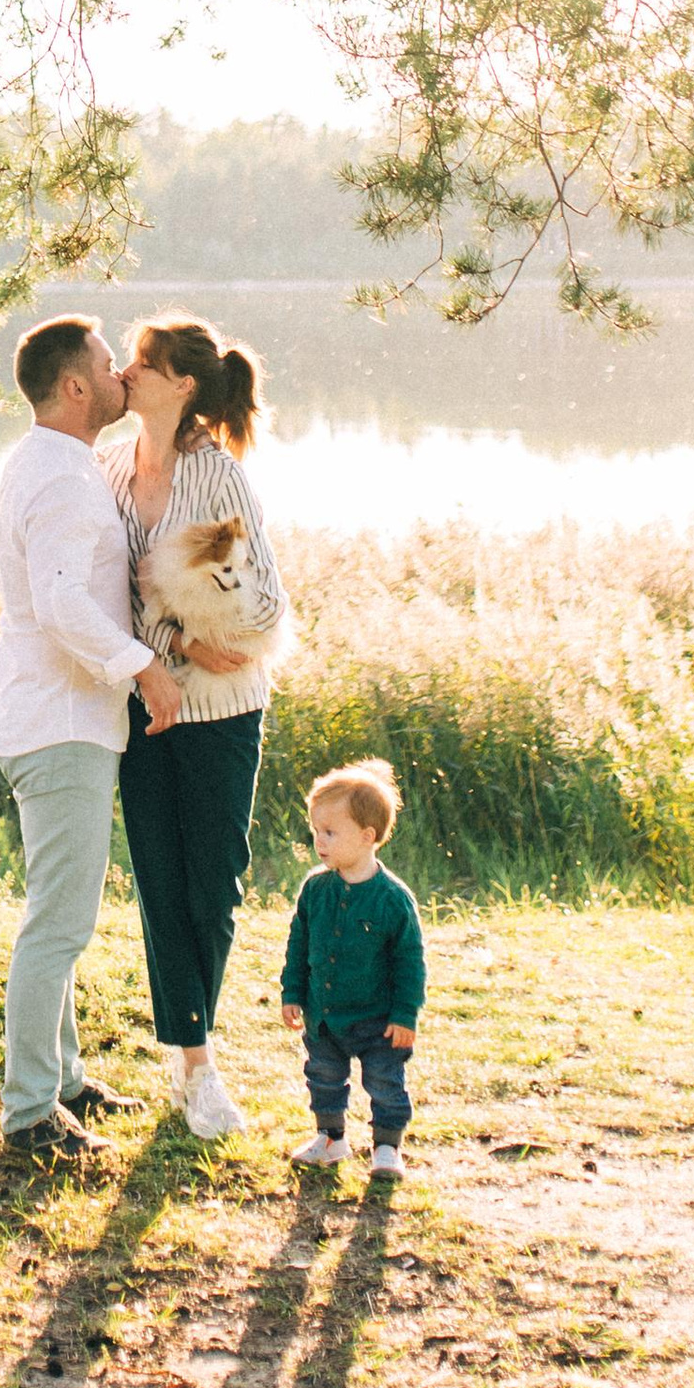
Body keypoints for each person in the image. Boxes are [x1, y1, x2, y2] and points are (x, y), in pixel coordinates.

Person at [0, 314, 186, 1163]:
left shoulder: (45, 462)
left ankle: (65, 1084)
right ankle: (30, 1113)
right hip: (62, 722)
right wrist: (144, 666)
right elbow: (64, 603)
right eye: (109, 365)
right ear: (76, 386)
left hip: (52, 716)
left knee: (60, 915)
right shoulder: (65, 481)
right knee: (59, 925)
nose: (120, 375)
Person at [101, 315, 287, 1140]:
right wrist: (173, 639)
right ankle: (197, 1063)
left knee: (211, 888)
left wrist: (199, 630)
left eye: (145, 363)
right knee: (159, 884)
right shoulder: (108, 468)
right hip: (140, 710)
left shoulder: (216, 479)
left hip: (222, 711)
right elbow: (116, 599)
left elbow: (267, 606)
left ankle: (190, 1048)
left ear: (182, 385)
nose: (128, 372)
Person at [280, 756, 426, 1179]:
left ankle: (386, 1148)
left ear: (367, 836)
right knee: (323, 1076)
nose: (319, 841)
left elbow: (409, 963)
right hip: (325, 1014)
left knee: (385, 1082)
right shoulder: (315, 889)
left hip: (379, 1020)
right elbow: (299, 943)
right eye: (314, 831)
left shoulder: (392, 899)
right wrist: (293, 993)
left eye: (329, 832)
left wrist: (404, 1014)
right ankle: (330, 1138)